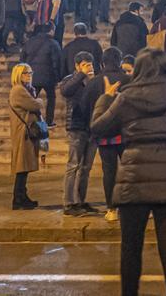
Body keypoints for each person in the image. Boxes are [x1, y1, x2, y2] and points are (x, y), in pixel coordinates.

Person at [90, 48, 166, 296]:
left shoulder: (126, 98)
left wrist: (105, 98)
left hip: (134, 180)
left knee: (131, 249)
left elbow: (98, 128)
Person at [84, 46, 131, 222]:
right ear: (120, 61)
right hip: (126, 133)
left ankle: (112, 208)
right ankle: (131, 204)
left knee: (109, 171)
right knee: (130, 170)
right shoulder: (129, 80)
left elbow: (85, 105)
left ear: (102, 62)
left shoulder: (94, 82)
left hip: (104, 134)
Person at [59, 51, 99, 217]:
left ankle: (80, 201)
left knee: (86, 168)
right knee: (73, 166)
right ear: (77, 66)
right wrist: (82, 75)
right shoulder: (70, 80)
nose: (89, 68)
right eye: (85, 65)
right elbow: (66, 91)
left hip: (92, 128)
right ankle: (69, 203)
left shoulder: (94, 81)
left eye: (90, 65)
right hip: (76, 127)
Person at [8, 63, 43, 210]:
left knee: (24, 167)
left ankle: (22, 196)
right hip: (23, 133)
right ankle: (18, 199)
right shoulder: (18, 90)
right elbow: (35, 105)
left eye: (30, 72)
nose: (29, 75)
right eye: (25, 73)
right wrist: (39, 101)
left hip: (26, 132)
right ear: (18, 75)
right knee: (22, 167)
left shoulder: (25, 89)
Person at [21, 23, 63, 126]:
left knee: (32, 99)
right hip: (49, 76)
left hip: (32, 76)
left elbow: (22, 59)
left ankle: (31, 119)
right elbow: (57, 62)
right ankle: (49, 121)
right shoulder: (53, 43)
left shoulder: (29, 42)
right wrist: (58, 77)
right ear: (50, 31)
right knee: (51, 98)